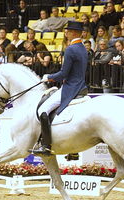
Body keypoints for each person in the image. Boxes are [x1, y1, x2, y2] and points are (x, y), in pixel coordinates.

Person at [29, 21, 87, 156]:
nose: (66, 33)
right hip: (81, 86)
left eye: (68, 31)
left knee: (43, 110)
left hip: (71, 88)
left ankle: (46, 146)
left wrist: (48, 77)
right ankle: (73, 150)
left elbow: (63, 74)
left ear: (74, 33)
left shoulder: (71, 49)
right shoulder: (82, 47)